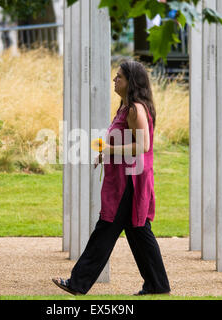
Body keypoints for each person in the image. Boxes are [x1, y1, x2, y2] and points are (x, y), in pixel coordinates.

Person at [53, 60, 171, 296]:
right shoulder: (125, 108)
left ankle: (77, 283)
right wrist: (105, 154)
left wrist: (109, 149)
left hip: (130, 182)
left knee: (107, 228)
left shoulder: (135, 109)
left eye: (119, 77)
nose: (115, 80)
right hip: (125, 177)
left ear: (131, 82)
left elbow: (143, 146)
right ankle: (157, 285)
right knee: (138, 231)